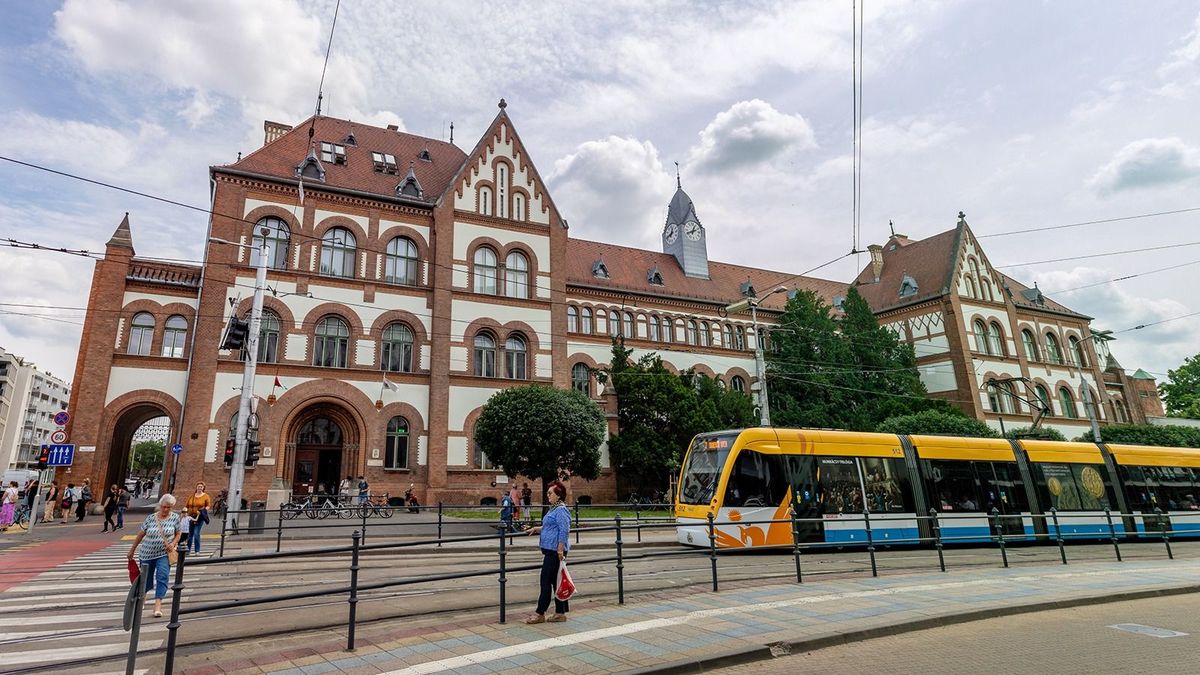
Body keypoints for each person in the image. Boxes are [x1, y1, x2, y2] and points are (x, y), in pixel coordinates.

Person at [523, 481, 571, 624]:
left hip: (555, 552)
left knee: (545, 581)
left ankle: (540, 613)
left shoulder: (561, 510)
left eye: (550, 493)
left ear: (559, 495)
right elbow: (550, 526)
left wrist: (560, 549)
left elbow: (564, 530)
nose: (548, 495)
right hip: (552, 551)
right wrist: (537, 529)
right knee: (556, 582)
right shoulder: (554, 509)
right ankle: (560, 613)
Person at [127, 494, 182, 618]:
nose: (165, 509)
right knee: (146, 579)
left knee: (162, 576)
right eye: (163, 507)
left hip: (163, 554)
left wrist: (173, 544)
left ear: (172, 507)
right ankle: (142, 599)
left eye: (168, 507)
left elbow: (178, 533)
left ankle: (157, 606)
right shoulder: (151, 518)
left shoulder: (175, 518)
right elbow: (141, 535)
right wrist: (132, 550)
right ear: (160, 506)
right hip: (146, 553)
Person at [184, 482, 211, 554]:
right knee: (190, 534)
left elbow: (208, 506)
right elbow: (186, 506)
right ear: (196, 487)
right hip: (190, 517)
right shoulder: (191, 496)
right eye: (198, 486)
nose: (199, 488)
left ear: (203, 488)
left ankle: (197, 550)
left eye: (201, 487)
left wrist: (203, 511)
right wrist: (184, 512)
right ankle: (187, 550)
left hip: (199, 517)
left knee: (196, 534)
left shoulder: (206, 496)